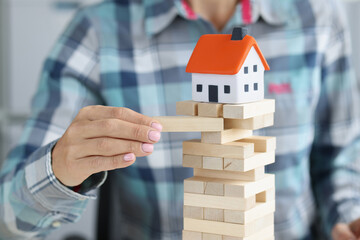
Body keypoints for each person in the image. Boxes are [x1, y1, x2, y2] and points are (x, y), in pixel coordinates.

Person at [1, 0, 360, 239]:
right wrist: (60, 170)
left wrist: (346, 218)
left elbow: (340, 161)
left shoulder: (320, 18)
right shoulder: (97, 32)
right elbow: (11, 216)